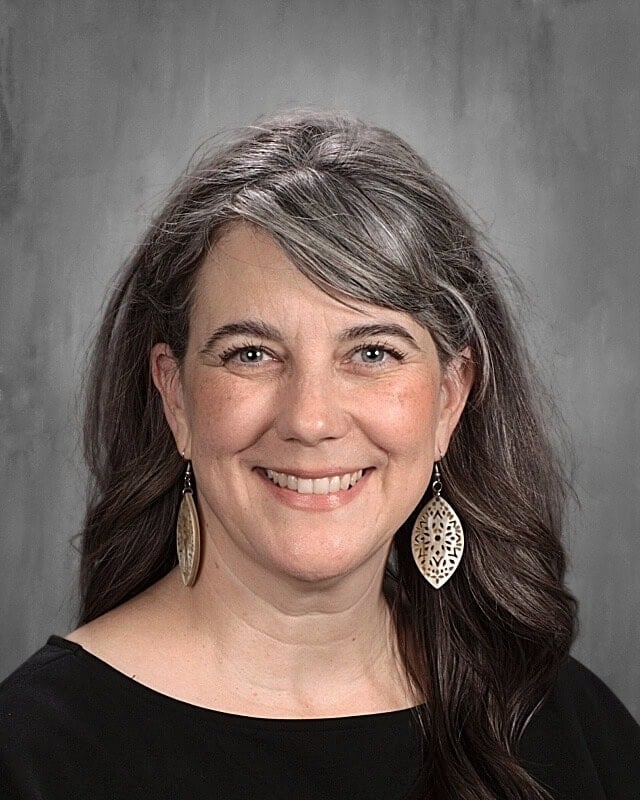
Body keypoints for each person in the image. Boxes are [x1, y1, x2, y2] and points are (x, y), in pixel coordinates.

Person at [1, 111, 638, 800]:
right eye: (252, 353)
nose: (310, 419)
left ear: (449, 401)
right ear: (175, 398)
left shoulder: (568, 730)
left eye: (371, 353)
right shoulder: (33, 752)